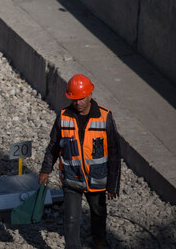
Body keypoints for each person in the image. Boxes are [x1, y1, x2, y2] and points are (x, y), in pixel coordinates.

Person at [38, 74, 121, 249]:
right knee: (71, 218)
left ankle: (99, 239)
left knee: (98, 212)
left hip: (97, 179)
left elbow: (114, 153)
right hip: (72, 179)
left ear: (90, 94)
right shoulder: (63, 117)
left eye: (81, 98)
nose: (78, 102)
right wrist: (46, 170)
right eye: (74, 99)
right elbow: (53, 146)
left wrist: (113, 184)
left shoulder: (104, 117)